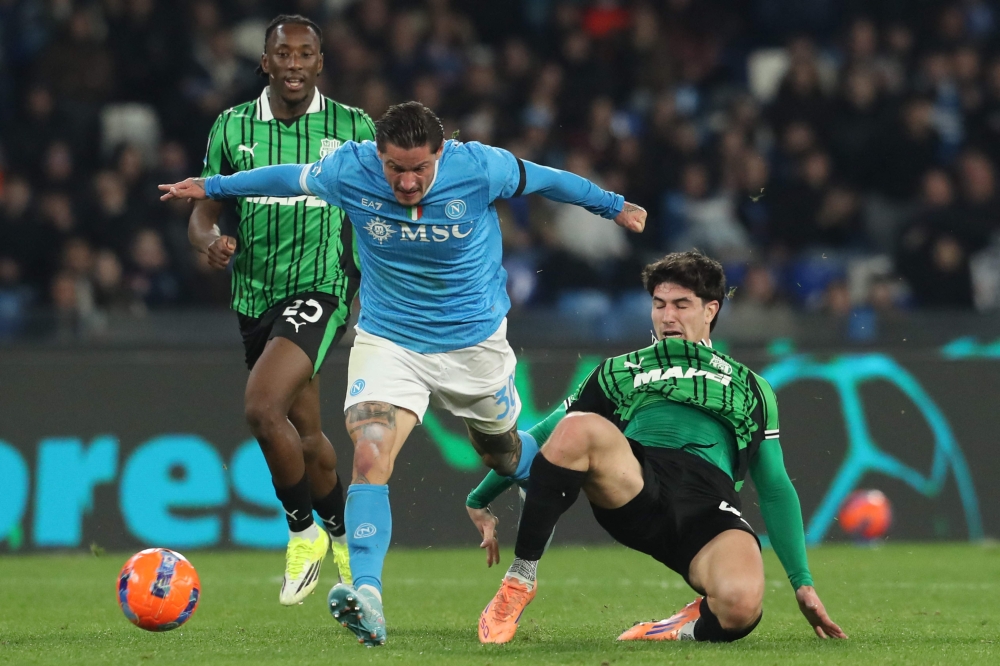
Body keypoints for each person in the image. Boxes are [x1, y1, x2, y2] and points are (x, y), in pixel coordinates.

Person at [159, 101, 647, 645]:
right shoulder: (351, 168)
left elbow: (549, 180)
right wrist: (216, 186)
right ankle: (367, 596)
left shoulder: (481, 167)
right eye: (395, 168)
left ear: (442, 153)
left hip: (474, 344)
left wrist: (612, 206)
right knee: (369, 452)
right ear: (379, 156)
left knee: (502, 456)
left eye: (420, 168)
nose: (407, 181)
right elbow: (286, 178)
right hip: (390, 339)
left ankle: (552, 467)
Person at [466, 250, 846, 645]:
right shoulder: (618, 369)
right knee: (577, 426)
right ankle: (519, 581)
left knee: (741, 606)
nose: (668, 317)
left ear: (710, 310)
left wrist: (802, 583)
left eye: (682, 305)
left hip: (708, 506)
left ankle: (674, 629)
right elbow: (542, 441)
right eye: (660, 305)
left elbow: (774, 486)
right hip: (636, 483)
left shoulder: (752, 386)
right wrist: (480, 496)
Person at [187, 14, 376, 606]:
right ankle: (343, 537)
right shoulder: (232, 126)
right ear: (264, 63)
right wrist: (207, 243)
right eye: (282, 54)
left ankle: (303, 534)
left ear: (320, 63)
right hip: (253, 296)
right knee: (309, 434)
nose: (293, 64)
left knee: (262, 409)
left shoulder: (353, 127)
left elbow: (376, 210)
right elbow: (203, 210)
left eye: (304, 54)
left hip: (321, 288)